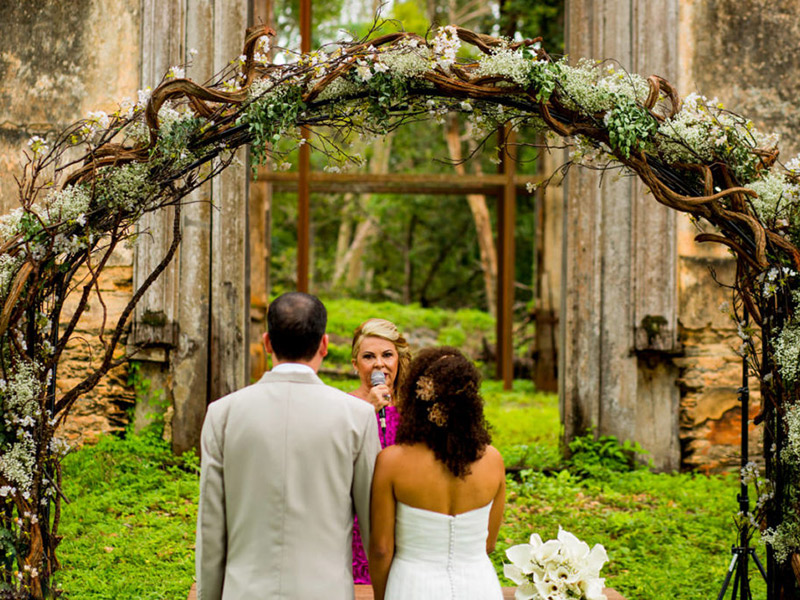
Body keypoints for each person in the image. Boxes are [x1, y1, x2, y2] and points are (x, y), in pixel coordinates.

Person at [195, 292, 381, 600]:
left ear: (266, 343)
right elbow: (374, 528)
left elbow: (211, 528)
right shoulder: (357, 417)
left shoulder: (223, 414)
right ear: (324, 344)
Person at [369, 347, 506, 600]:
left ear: (415, 396)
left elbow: (380, 549)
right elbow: (488, 544)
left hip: (411, 587)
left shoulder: (391, 462)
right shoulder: (493, 460)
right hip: (479, 587)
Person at [348, 318, 411, 584]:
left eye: (387, 355)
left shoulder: (414, 410)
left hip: (403, 516)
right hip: (356, 517)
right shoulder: (343, 406)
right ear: (355, 364)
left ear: (399, 359)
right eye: (368, 357)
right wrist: (368, 409)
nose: (379, 364)